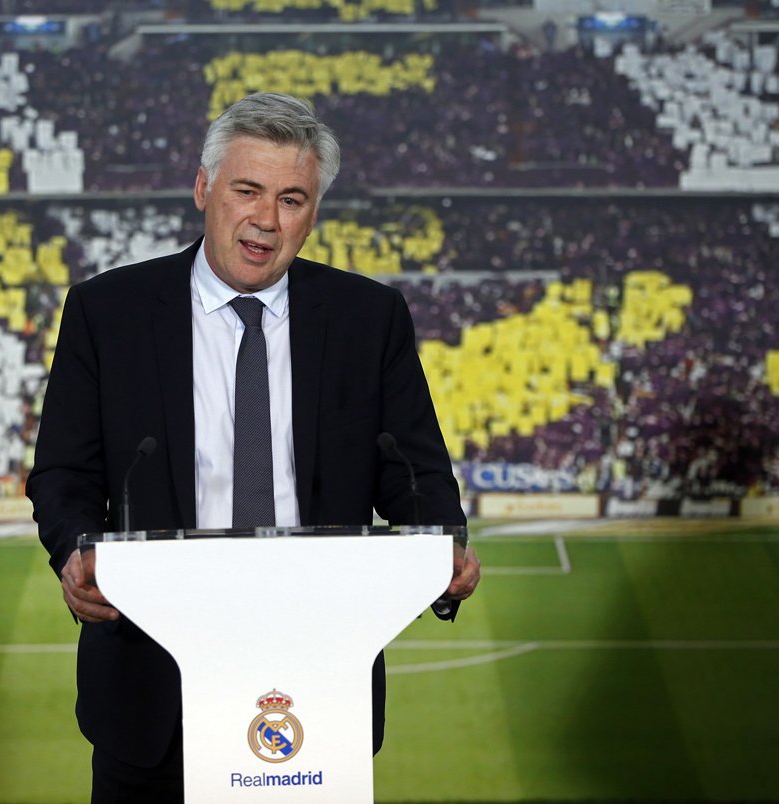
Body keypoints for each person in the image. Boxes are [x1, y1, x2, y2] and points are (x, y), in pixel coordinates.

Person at [26, 91, 481, 803]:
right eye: (248, 190)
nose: (266, 220)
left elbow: (414, 470)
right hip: (151, 686)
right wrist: (76, 548)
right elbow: (63, 472)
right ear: (205, 187)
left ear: (314, 212)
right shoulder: (106, 312)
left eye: (292, 198)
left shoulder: (370, 319)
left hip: (317, 689)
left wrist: (442, 545)